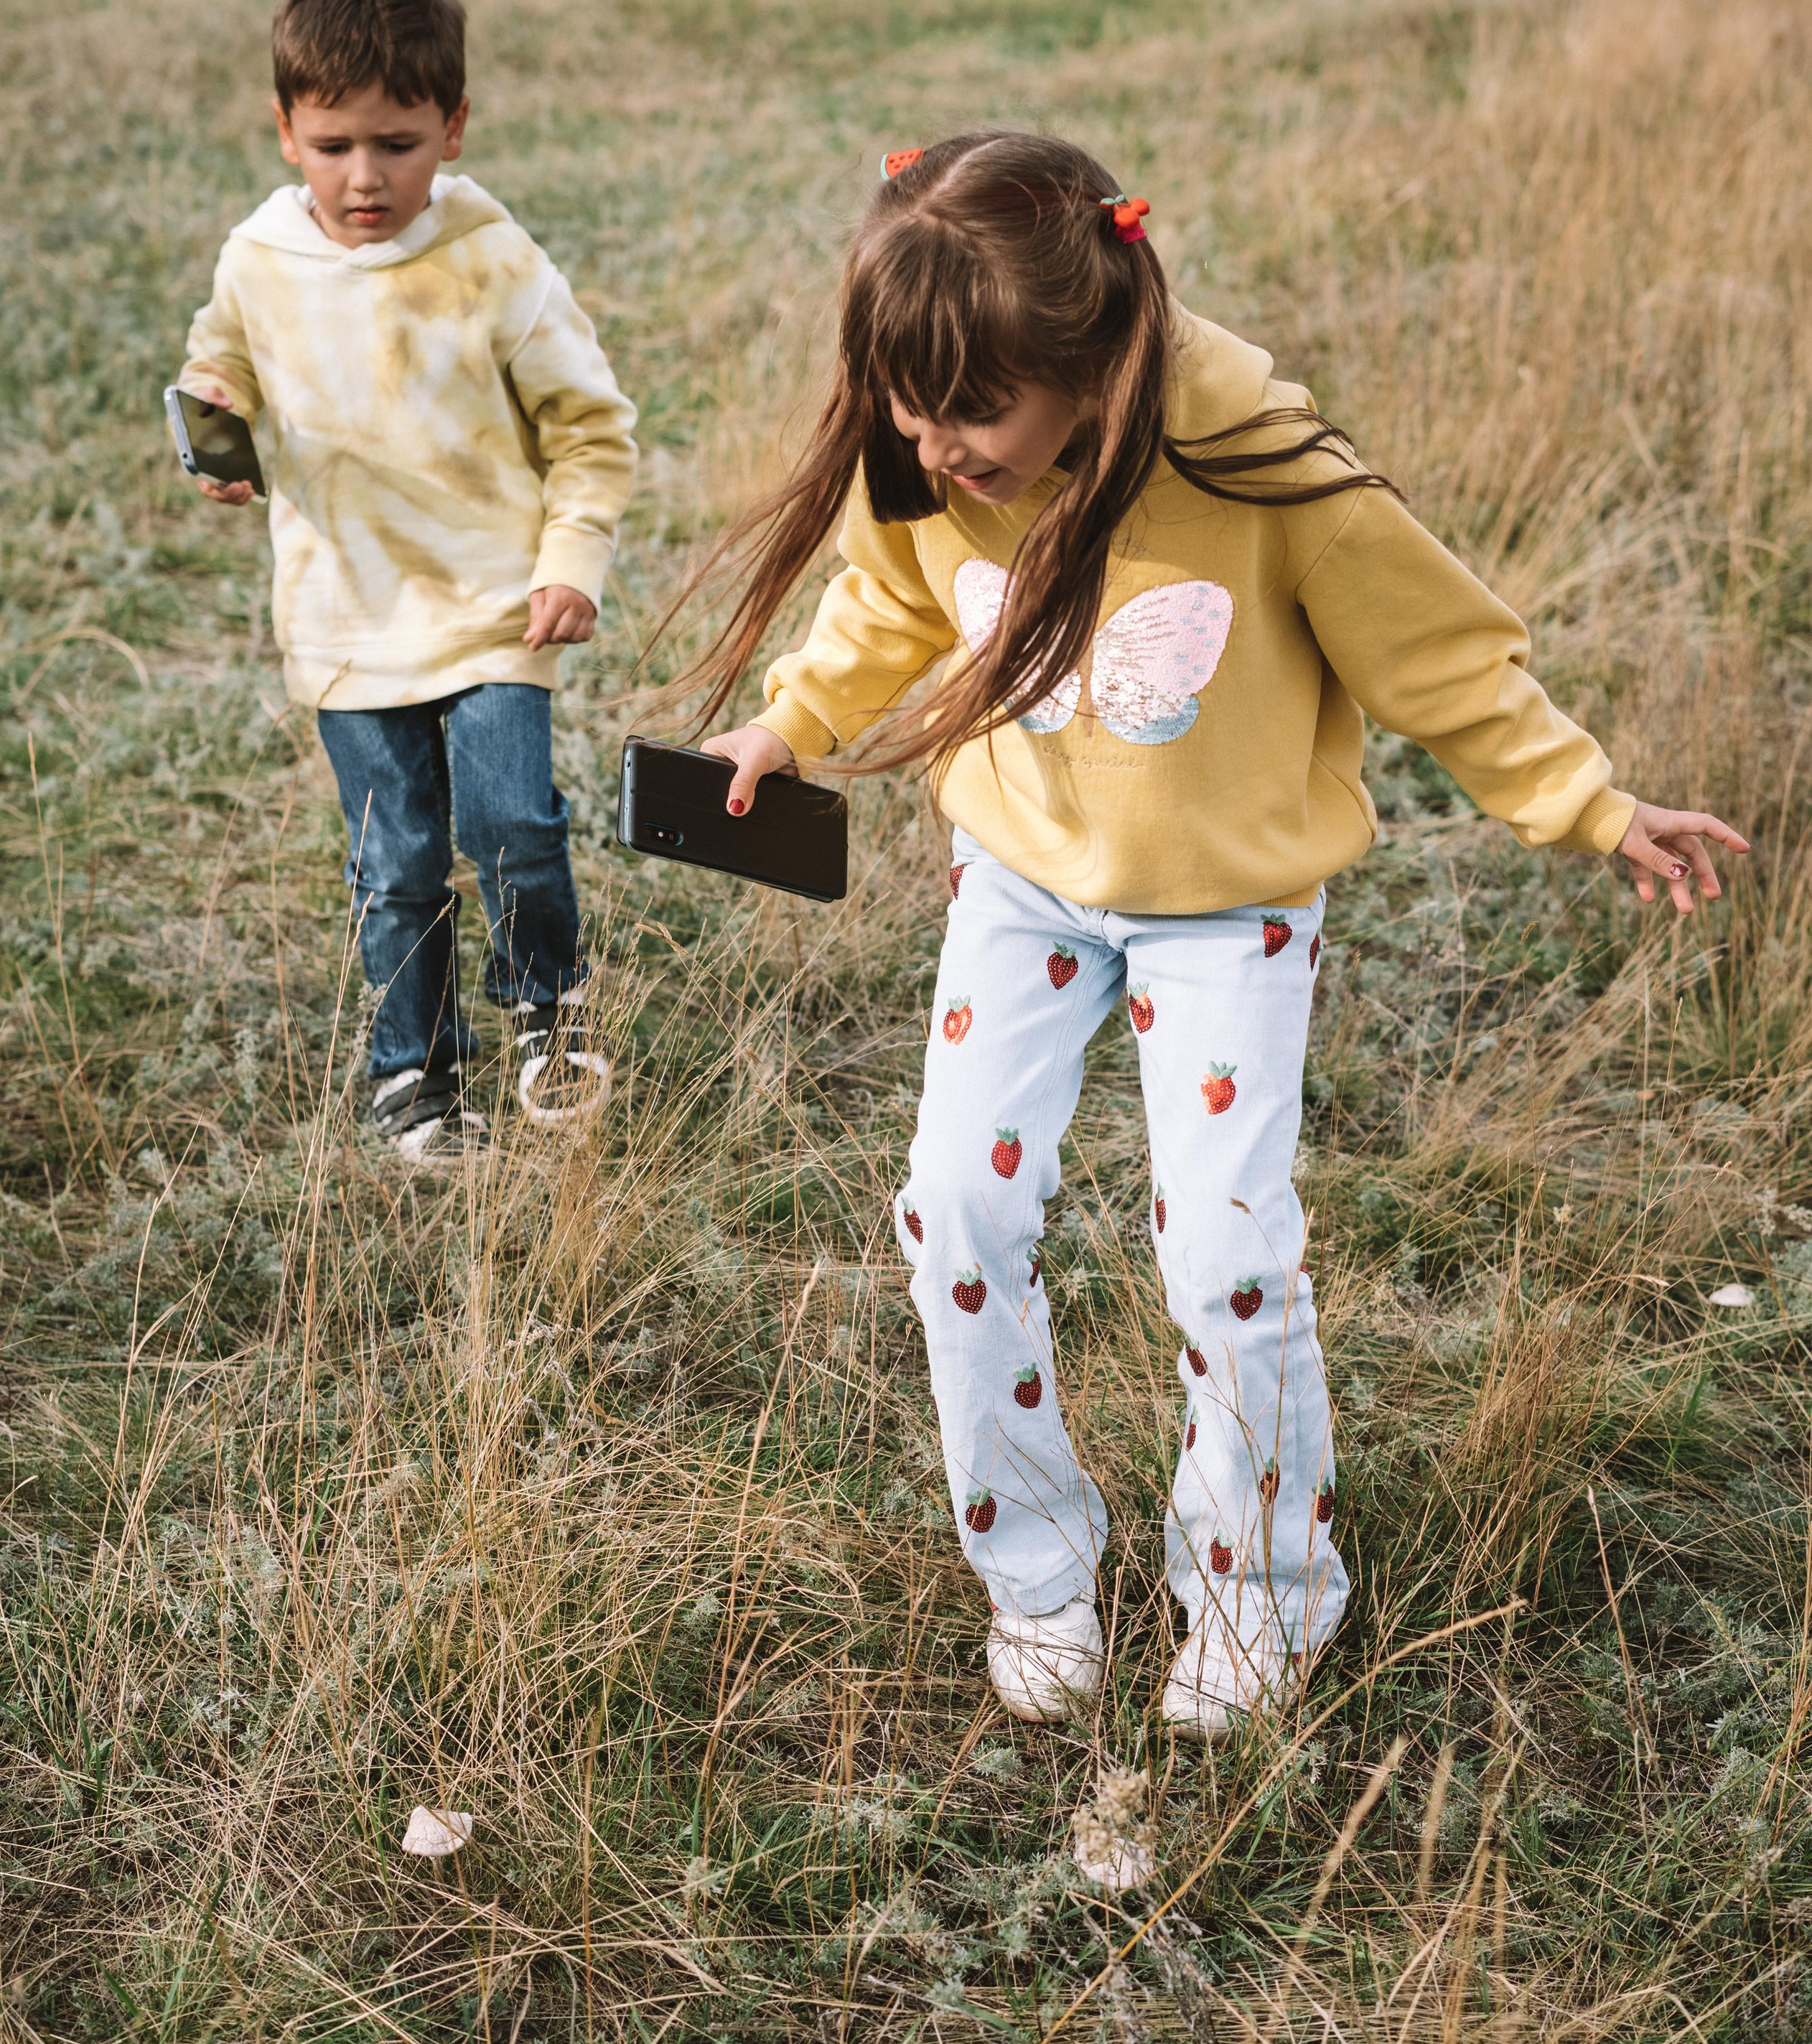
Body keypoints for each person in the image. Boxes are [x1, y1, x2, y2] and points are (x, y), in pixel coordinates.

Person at [683, 131, 1746, 1735]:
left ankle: (1262, 1589)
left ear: (1091, 363)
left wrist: (1589, 804)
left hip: (1228, 910)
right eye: (905, 410)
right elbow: (888, 601)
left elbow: (1437, 657)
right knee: (953, 1212)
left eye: (971, 411)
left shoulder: (1263, 465)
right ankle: (1037, 1571)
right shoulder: (939, 469)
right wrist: (790, 725)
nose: (934, 446)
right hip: (1021, 881)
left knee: (1227, 1257)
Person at [176, 0, 638, 1161]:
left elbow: (592, 428)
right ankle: (416, 1073)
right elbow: (220, 358)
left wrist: (571, 560)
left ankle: (547, 1007)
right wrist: (217, 417)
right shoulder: (259, 262)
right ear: (286, 131)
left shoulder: (494, 260)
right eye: (334, 145)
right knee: (398, 863)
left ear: (454, 127)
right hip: (347, 613)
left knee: (513, 825)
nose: (366, 176)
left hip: (495, 603)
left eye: (399, 142)